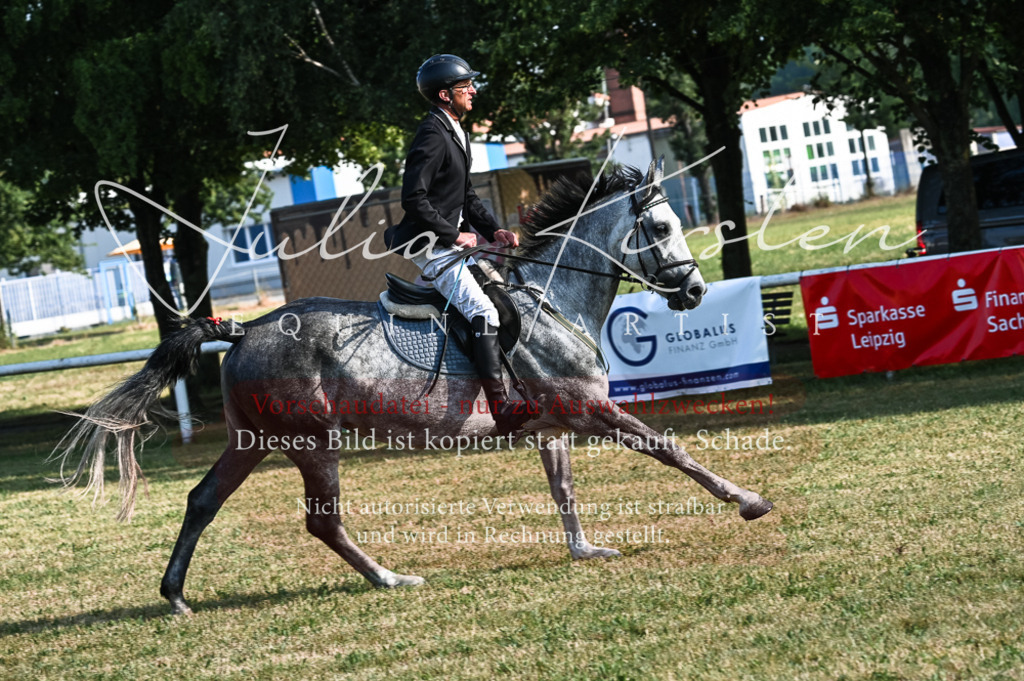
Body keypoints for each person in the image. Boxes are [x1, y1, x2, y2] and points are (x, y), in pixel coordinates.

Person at [385, 54, 531, 437]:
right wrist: (452, 234)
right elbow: (413, 198)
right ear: (446, 94)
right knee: (484, 311)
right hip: (430, 243)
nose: (474, 91)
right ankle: (502, 411)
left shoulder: (455, 130)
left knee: (498, 296)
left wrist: (494, 229)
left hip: (446, 240)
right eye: (467, 87)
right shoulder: (432, 133)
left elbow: (466, 194)